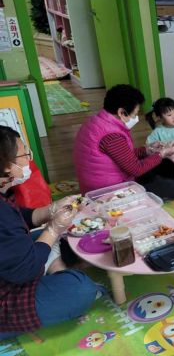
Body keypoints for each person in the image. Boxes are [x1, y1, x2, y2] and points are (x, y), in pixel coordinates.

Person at [1, 127, 104, 339]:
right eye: (24, 154)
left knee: (50, 237)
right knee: (81, 289)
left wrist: (50, 210)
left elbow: (16, 220)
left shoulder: (3, 194)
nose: (28, 160)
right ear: (6, 166)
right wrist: (53, 228)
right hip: (7, 298)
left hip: (12, 267)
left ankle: (55, 268)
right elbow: (25, 270)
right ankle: (57, 274)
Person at [74, 84, 174, 199]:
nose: (135, 118)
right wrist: (161, 153)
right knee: (166, 185)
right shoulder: (112, 136)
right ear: (121, 112)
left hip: (100, 182)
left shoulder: (96, 121)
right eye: (134, 114)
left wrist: (147, 150)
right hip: (108, 192)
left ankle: (166, 181)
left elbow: (124, 156)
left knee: (158, 165)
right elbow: (136, 169)